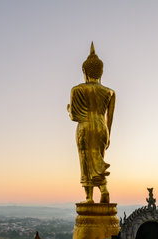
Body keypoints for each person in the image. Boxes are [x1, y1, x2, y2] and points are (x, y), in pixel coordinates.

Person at [67, 42, 115, 203]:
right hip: (102, 128)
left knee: (86, 161)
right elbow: (110, 118)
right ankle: (104, 189)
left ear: (85, 71)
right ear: (100, 72)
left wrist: (68, 109)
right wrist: (108, 137)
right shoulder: (109, 92)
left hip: (85, 128)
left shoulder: (77, 90)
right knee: (98, 159)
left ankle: (89, 197)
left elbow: (74, 115)